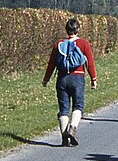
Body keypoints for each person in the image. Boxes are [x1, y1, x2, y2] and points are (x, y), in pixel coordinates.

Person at [42, 18, 97, 146]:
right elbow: (90, 63)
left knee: (63, 109)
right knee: (78, 106)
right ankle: (72, 128)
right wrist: (93, 79)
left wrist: (46, 79)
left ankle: (64, 138)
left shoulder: (59, 44)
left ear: (66, 30)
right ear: (78, 30)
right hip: (78, 78)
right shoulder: (83, 44)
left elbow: (51, 64)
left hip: (62, 79)